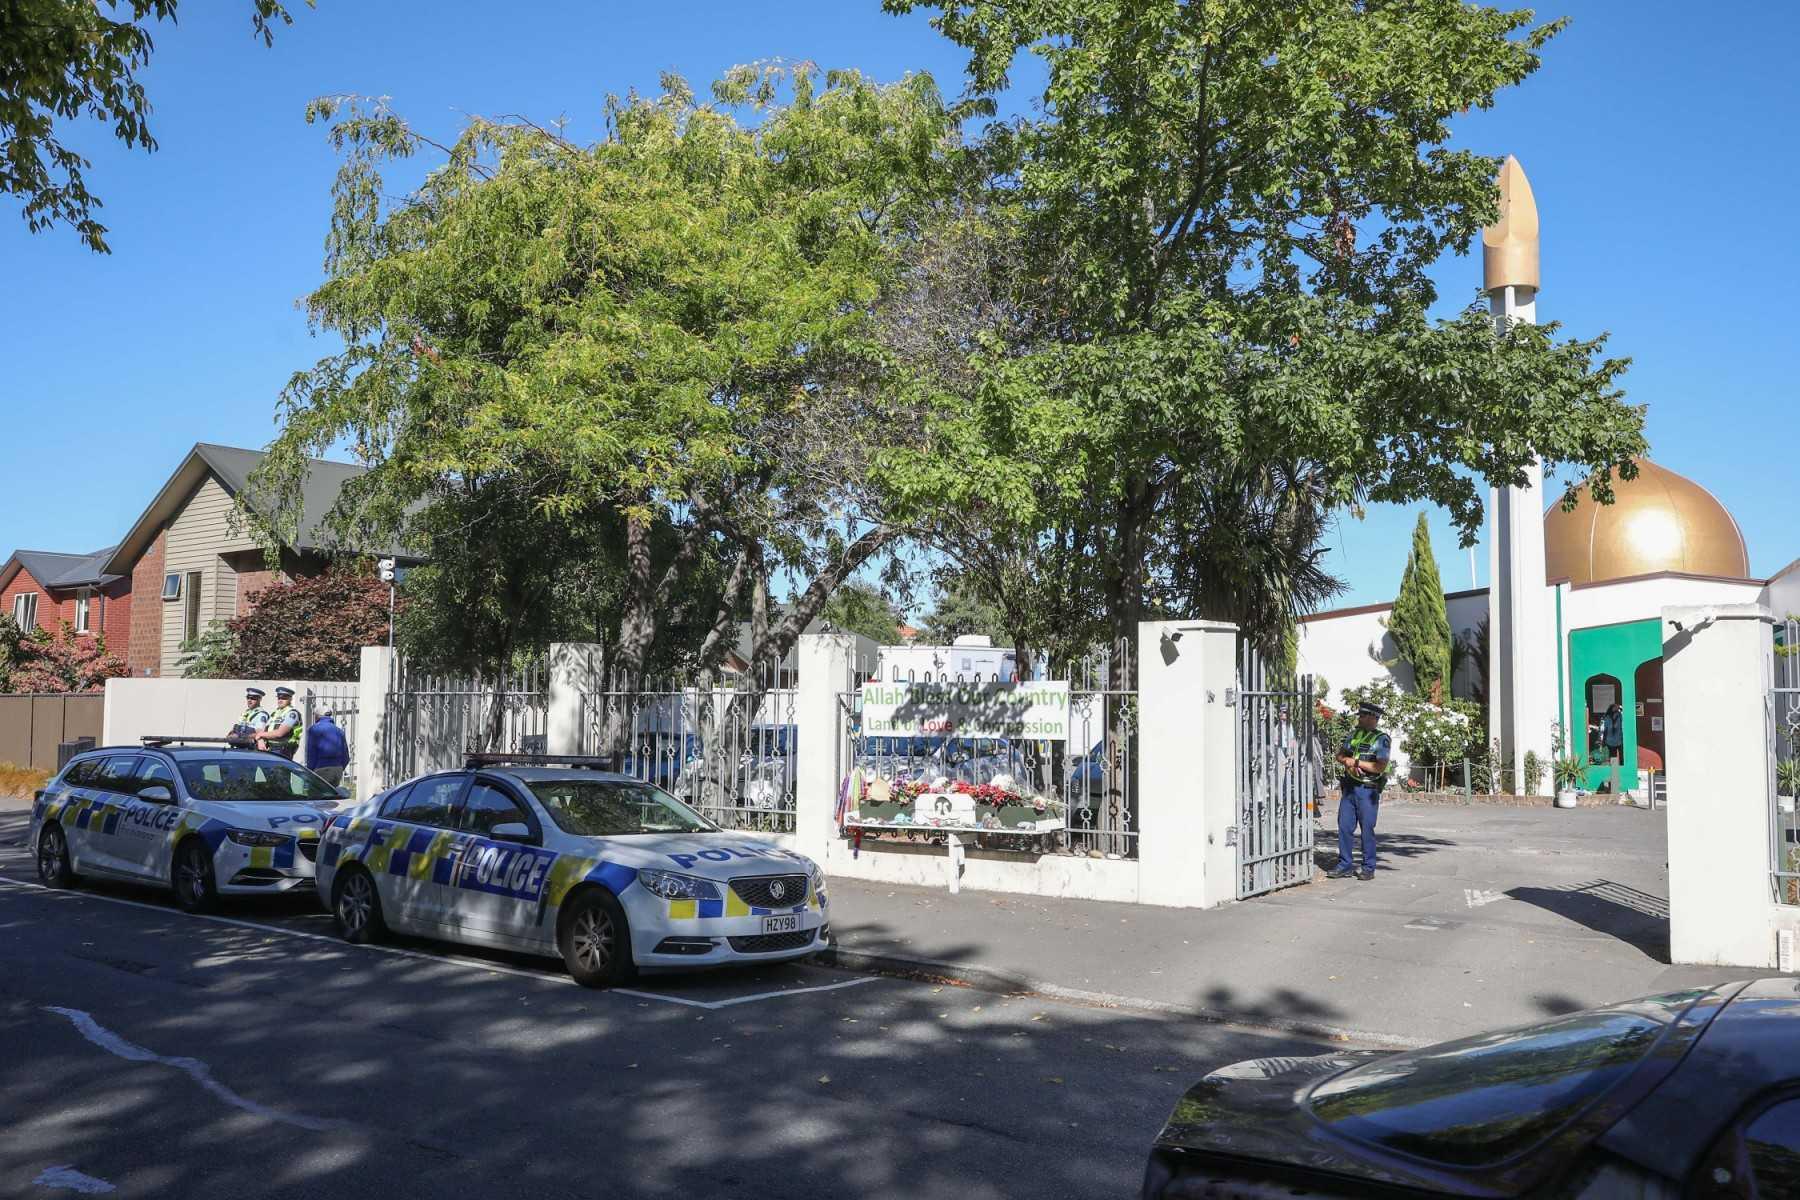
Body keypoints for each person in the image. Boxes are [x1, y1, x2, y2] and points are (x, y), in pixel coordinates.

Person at [1329, 701, 1391, 881]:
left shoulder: (1382, 739)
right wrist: (1346, 762)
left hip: (1368, 791)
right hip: (1350, 788)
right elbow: (1340, 755)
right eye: (1360, 715)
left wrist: (1356, 763)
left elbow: (1380, 766)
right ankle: (1344, 865)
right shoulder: (1354, 734)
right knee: (1344, 827)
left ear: (1373, 718)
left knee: (1367, 830)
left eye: (1363, 716)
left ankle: (1368, 867)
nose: (1360, 718)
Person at [304, 707, 350, 787]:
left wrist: (310, 771)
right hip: (337, 769)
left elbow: (311, 753)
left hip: (322, 769)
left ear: (317, 716)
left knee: (319, 796)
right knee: (332, 795)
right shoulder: (339, 730)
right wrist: (340, 767)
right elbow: (346, 755)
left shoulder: (314, 729)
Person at [256, 685, 304, 760]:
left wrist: (260, 735)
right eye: (279, 698)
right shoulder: (275, 713)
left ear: (290, 699)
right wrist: (260, 740)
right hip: (271, 748)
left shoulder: (292, 713)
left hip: (283, 750)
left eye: (284, 698)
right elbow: (264, 730)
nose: (280, 700)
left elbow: (280, 733)